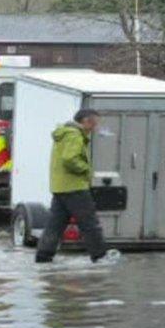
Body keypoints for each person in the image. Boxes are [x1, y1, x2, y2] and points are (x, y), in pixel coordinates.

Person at [35, 109, 110, 263]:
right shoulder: (75, 135)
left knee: (54, 226)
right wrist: (87, 169)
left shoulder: (65, 134)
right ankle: (100, 257)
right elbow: (69, 159)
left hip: (60, 187)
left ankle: (43, 257)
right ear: (86, 121)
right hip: (75, 187)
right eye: (95, 122)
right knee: (90, 224)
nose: (96, 127)